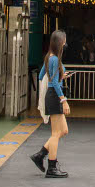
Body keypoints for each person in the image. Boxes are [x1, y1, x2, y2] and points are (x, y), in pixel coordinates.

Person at [30, 30, 71, 178]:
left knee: (63, 131)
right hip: (54, 96)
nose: (65, 43)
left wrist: (60, 75)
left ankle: (40, 155)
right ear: (60, 42)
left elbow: (42, 75)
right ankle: (52, 167)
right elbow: (53, 81)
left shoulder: (49, 57)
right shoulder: (54, 60)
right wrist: (63, 100)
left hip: (52, 95)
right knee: (55, 134)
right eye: (64, 40)